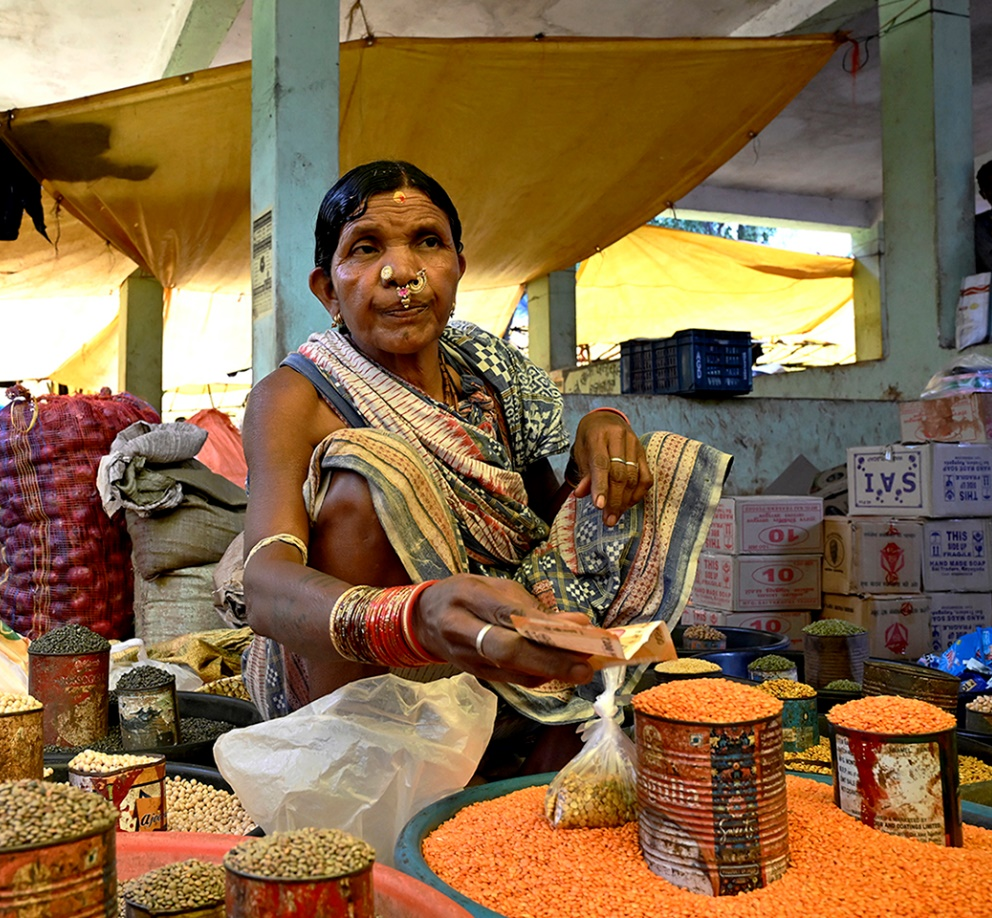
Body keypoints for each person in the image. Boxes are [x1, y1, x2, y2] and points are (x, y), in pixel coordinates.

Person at [240, 161, 728, 772]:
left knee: (652, 464)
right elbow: (263, 585)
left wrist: (597, 439)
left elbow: (543, 529)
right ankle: (376, 761)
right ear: (327, 289)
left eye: (428, 242)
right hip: (361, 665)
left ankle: (561, 732)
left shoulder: (488, 375)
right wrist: (416, 616)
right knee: (373, 468)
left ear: (457, 267)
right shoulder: (295, 397)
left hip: (489, 635)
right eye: (366, 249)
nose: (402, 273)